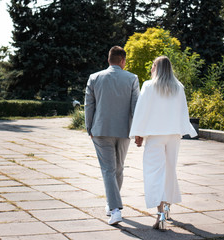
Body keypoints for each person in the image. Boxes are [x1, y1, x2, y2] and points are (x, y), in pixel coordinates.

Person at [129, 56, 197, 231]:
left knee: (154, 173)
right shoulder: (178, 87)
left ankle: (160, 214)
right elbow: (183, 111)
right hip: (173, 135)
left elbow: (142, 110)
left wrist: (138, 133)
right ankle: (166, 210)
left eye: (153, 65)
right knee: (169, 172)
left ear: (156, 68)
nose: (151, 68)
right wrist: (183, 130)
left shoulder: (149, 86)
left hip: (155, 136)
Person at [85, 46, 140, 225]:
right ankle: (112, 205)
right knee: (118, 168)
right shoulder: (132, 78)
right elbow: (136, 107)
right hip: (124, 131)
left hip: (101, 130)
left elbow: (89, 105)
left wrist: (89, 127)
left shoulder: (94, 77)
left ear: (108, 60)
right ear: (123, 61)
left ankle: (115, 209)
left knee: (109, 170)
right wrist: (137, 131)